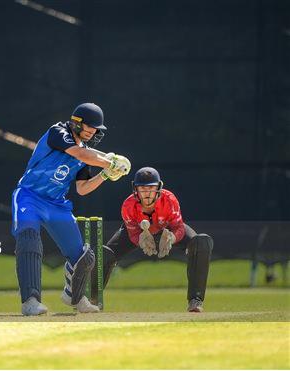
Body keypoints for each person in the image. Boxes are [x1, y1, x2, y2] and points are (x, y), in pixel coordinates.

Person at [11, 103, 131, 315]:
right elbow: (79, 153)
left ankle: (75, 296)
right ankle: (30, 301)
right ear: (76, 123)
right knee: (29, 239)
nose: (92, 132)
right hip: (29, 196)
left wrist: (104, 175)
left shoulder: (86, 155)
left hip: (56, 204)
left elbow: (83, 188)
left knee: (83, 256)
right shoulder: (58, 132)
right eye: (89, 127)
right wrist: (109, 162)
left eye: (95, 130)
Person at [94, 167, 213, 312]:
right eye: (142, 188)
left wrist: (172, 237)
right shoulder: (128, 205)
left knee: (201, 242)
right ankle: (93, 300)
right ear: (135, 189)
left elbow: (179, 227)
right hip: (138, 231)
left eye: (151, 188)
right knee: (104, 253)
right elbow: (132, 233)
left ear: (159, 188)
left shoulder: (169, 199)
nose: (147, 193)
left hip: (167, 229)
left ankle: (196, 300)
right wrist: (140, 240)